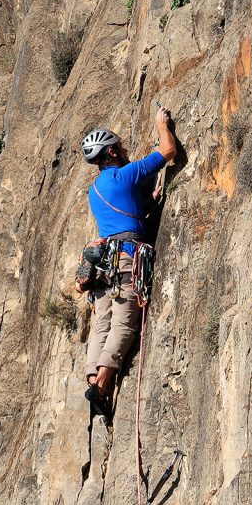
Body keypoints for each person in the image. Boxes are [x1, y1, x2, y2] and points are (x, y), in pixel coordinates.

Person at [79, 107, 177, 418]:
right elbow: (168, 151)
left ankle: (93, 377)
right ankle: (103, 385)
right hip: (127, 259)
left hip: (107, 264)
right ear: (111, 152)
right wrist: (161, 125)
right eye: (120, 147)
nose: (125, 150)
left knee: (103, 322)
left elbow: (122, 215)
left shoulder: (95, 191)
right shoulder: (125, 174)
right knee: (124, 321)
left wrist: (148, 202)